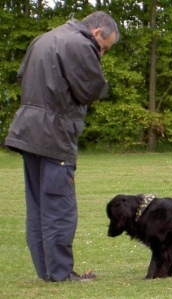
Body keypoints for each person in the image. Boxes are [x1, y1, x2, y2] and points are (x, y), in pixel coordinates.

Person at [4, 11, 119, 282]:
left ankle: (47, 270)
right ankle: (60, 273)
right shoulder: (79, 45)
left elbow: (22, 77)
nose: (101, 55)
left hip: (28, 132)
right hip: (54, 134)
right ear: (96, 33)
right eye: (103, 49)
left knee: (38, 206)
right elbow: (92, 90)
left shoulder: (42, 39)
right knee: (59, 205)